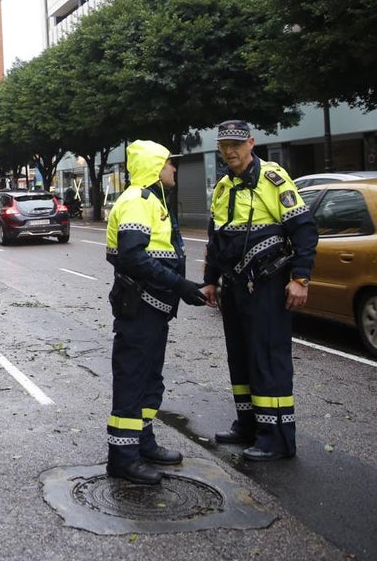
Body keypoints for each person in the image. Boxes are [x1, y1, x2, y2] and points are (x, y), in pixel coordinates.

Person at [201, 120, 318, 462]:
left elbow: (305, 231)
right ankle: (248, 425)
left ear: (251, 143)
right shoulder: (223, 187)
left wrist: (300, 278)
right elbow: (216, 239)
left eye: (237, 144)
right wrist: (210, 280)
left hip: (267, 284)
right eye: (224, 145)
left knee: (267, 358)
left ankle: (278, 438)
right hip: (235, 286)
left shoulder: (273, 179)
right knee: (239, 356)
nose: (230, 151)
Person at [104, 140, 209, 485]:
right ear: (154, 167)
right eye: (168, 164)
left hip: (154, 307)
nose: (174, 169)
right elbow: (133, 258)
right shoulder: (136, 202)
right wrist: (181, 285)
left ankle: (143, 442)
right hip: (140, 307)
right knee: (133, 380)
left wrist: (180, 288)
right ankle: (123, 458)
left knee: (150, 378)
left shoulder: (152, 200)